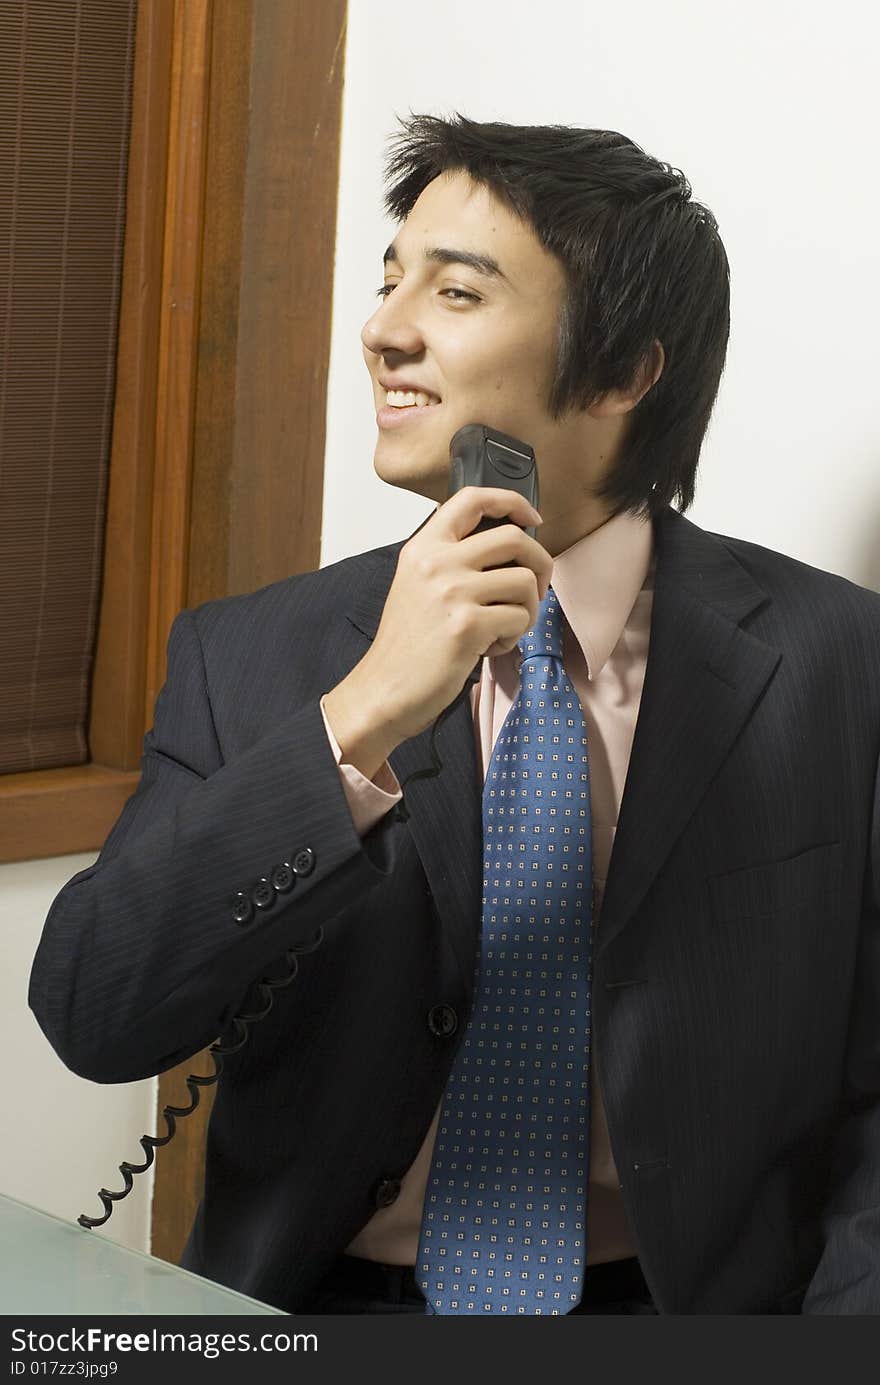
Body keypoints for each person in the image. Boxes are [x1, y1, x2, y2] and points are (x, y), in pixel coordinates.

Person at [29, 114, 880, 1316]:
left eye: (457, 290)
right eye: (388, 281)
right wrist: (362, 712)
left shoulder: (839, 662)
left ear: (627, 370)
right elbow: (93, 1008)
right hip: (327, 1298)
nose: (383, 329)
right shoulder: (251, 653)